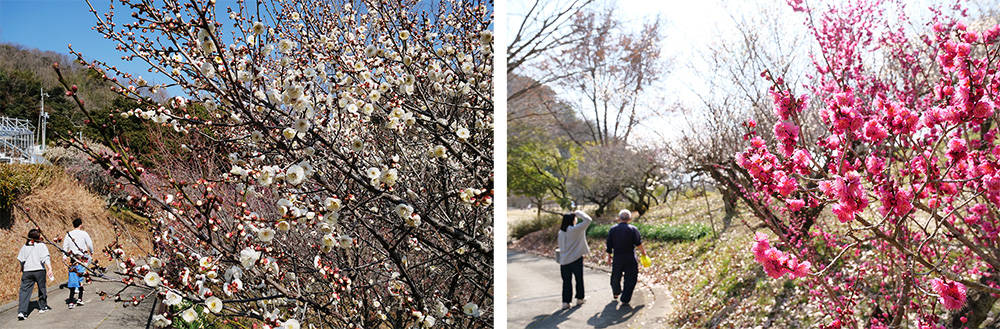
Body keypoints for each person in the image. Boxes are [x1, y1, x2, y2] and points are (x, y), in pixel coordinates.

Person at [606, 209, 647, 307]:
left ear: (619, 218)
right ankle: (625, 298)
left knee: (616, 275)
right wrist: (643, 252)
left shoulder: (613, 229)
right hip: (630, 257)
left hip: (618, 257)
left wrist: (609, 256)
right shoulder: (632, 229)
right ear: (629, 219)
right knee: (631, 278)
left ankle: (616, 292)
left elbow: (609, 244)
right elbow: (638, 243)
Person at [557, 210, 592, 309]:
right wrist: (578, 212)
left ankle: (566, 302)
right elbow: (588, 219)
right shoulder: (576, 230)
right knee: (579, 279)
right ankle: (580, 298)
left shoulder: (561, 232)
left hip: (564, 260)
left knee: (566, 281)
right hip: (576, 258)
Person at [17, 228, 54, 320]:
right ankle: (42, 306)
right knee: (42, 288)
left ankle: (22, 311)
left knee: (24, 291)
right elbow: (45, 258)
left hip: (27, 271)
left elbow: (21, 259)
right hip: (39, 270)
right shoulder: (41, 246)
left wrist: (22, 266)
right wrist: (49, 268)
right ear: (38, 237)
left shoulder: (24, 246)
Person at [63, 217, 94, 308]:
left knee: (72, 278)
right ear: (81, 225)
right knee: (81, 278)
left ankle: (71, 301)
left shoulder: (69, 234)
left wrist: (64, 256)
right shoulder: (84, 233)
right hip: (82, 259)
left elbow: (65, 246)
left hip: (73, 259)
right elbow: (89, 243)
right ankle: (80, 299)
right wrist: (91, 251)